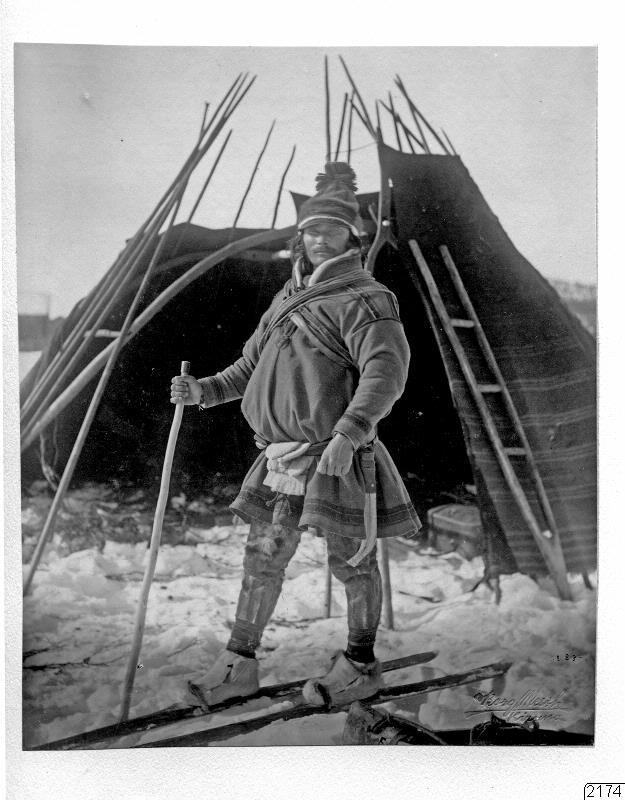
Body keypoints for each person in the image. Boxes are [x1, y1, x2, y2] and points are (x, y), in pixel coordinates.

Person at [170, 162, 420, 709]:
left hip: (336, 457)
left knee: (352, 561)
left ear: (352, 238)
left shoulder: (367, 298)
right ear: (300, 237)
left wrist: (349, 434)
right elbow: (249, 367)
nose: (318, 239)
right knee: (263, 557)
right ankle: (239, 665)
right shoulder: (287, 297)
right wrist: (205, 390)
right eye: (311, 230)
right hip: (279, 459)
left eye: (331, 230)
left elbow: (385, 373)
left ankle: (360, 666)